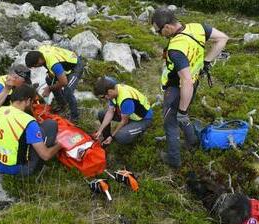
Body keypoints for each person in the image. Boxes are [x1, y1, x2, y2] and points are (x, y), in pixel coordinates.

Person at [151, 7, 229, 168]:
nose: (159, 35)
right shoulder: (197, 27)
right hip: (194, 83)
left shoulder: (176, 49)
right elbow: (223, 38)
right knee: (182, 116)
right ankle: (192, 142)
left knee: (170, 122)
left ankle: (173, 159)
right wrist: (207, 61)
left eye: (159, 32)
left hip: (177, 89)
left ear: (167, 27)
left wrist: (182, 109)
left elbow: (184, 81)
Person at [0, 84, 61, 176]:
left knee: (36, 129)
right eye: (32, 102)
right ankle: (36, 170)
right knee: (50, 125)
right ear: (28, 101)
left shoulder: (0, 111)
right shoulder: (28, 122)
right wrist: (59, 145)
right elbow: (45, 156)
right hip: (17, 169)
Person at [25, 45, 84, 122]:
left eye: (35, 65)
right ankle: (62, 104)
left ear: (39, 60)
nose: (36, 67)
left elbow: (63, 82)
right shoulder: (41, 51)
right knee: (48, 79)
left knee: (68, 90)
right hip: (63, 62)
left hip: (75, 66)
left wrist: (49, 88)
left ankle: (75, 117)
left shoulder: (54, 64)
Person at [93, 76, 153, 145]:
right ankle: (106, 137)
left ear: (109, 91)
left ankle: (138, 131)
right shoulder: (114, 91)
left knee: (120, 136)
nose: (105, 98)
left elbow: (124, 121)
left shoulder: (126, 100)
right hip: (128, 114)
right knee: (102, 114)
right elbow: (110, 112)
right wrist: (100, 130)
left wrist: (113, 136)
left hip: (142, 119)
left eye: (103, 96)